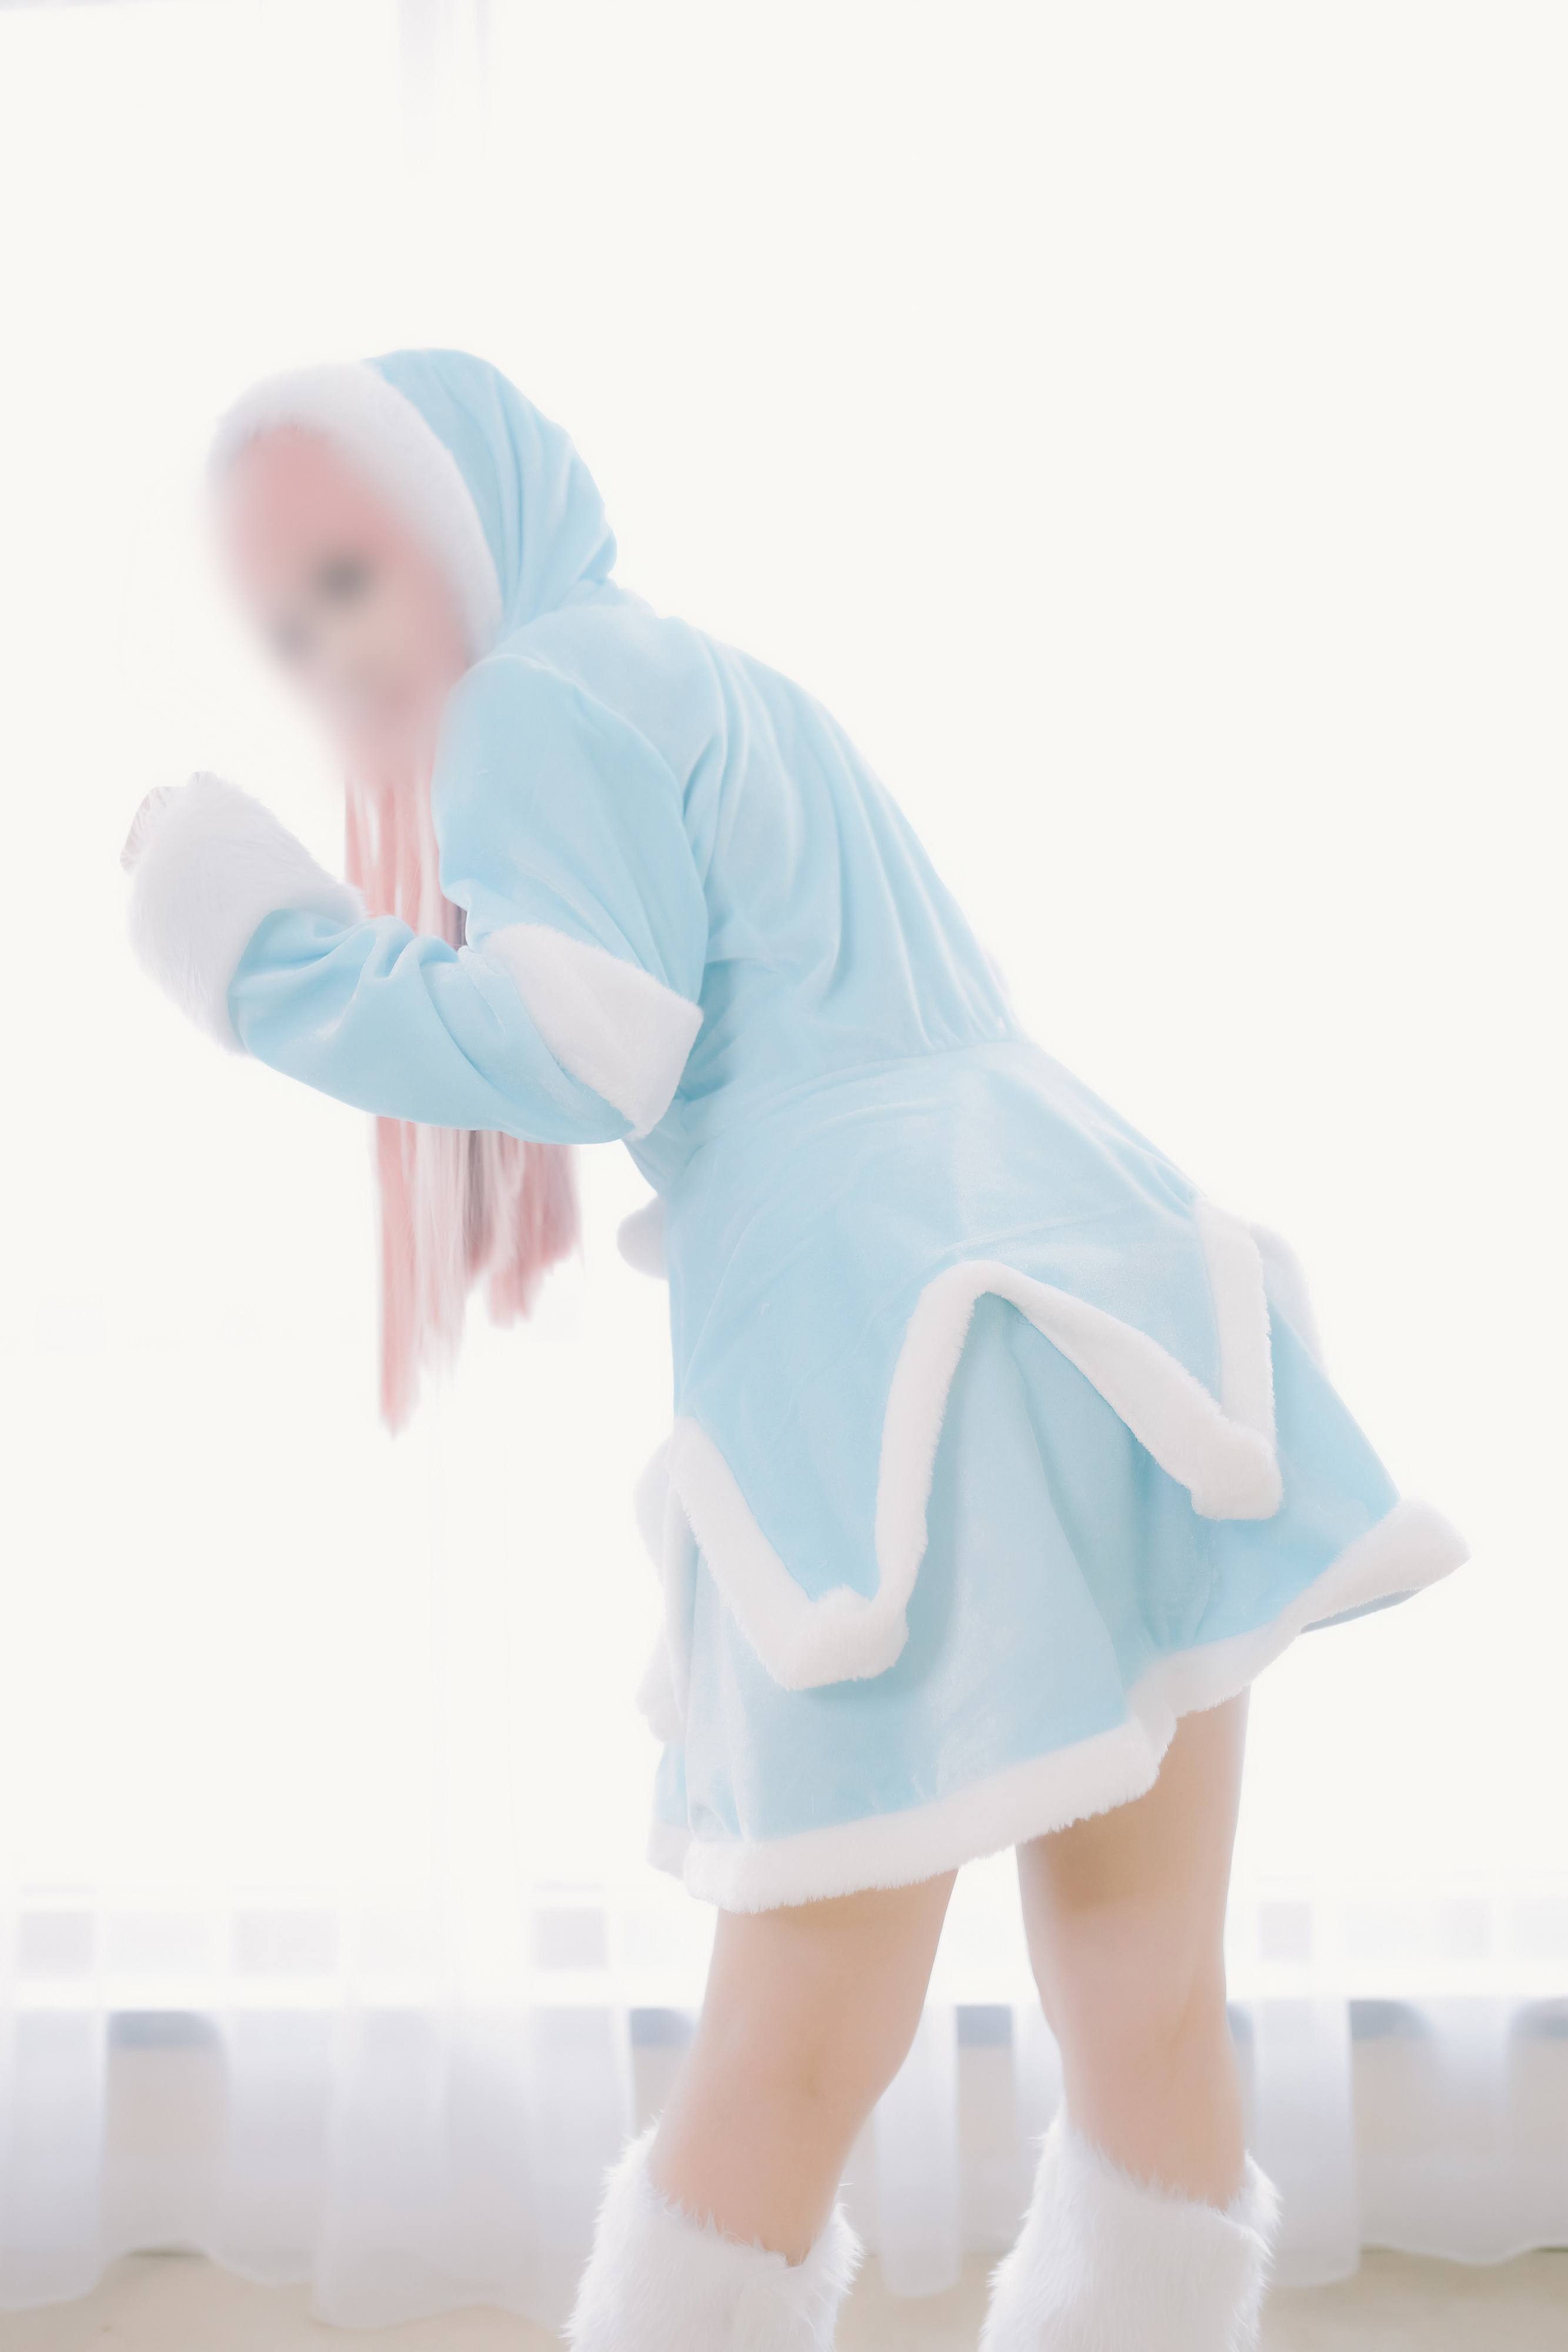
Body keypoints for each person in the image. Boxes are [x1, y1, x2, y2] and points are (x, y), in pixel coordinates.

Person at [123, 351, 1466, 2351]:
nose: (335, 655)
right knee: (1148, 1999)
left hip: (894, 1346)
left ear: (464, 523)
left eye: (348, 578)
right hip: (1096, 1255)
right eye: (288, 632)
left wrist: (262, 955)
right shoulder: (707, 676)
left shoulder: (533, 701)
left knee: (793, 2040)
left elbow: (585, 1046)